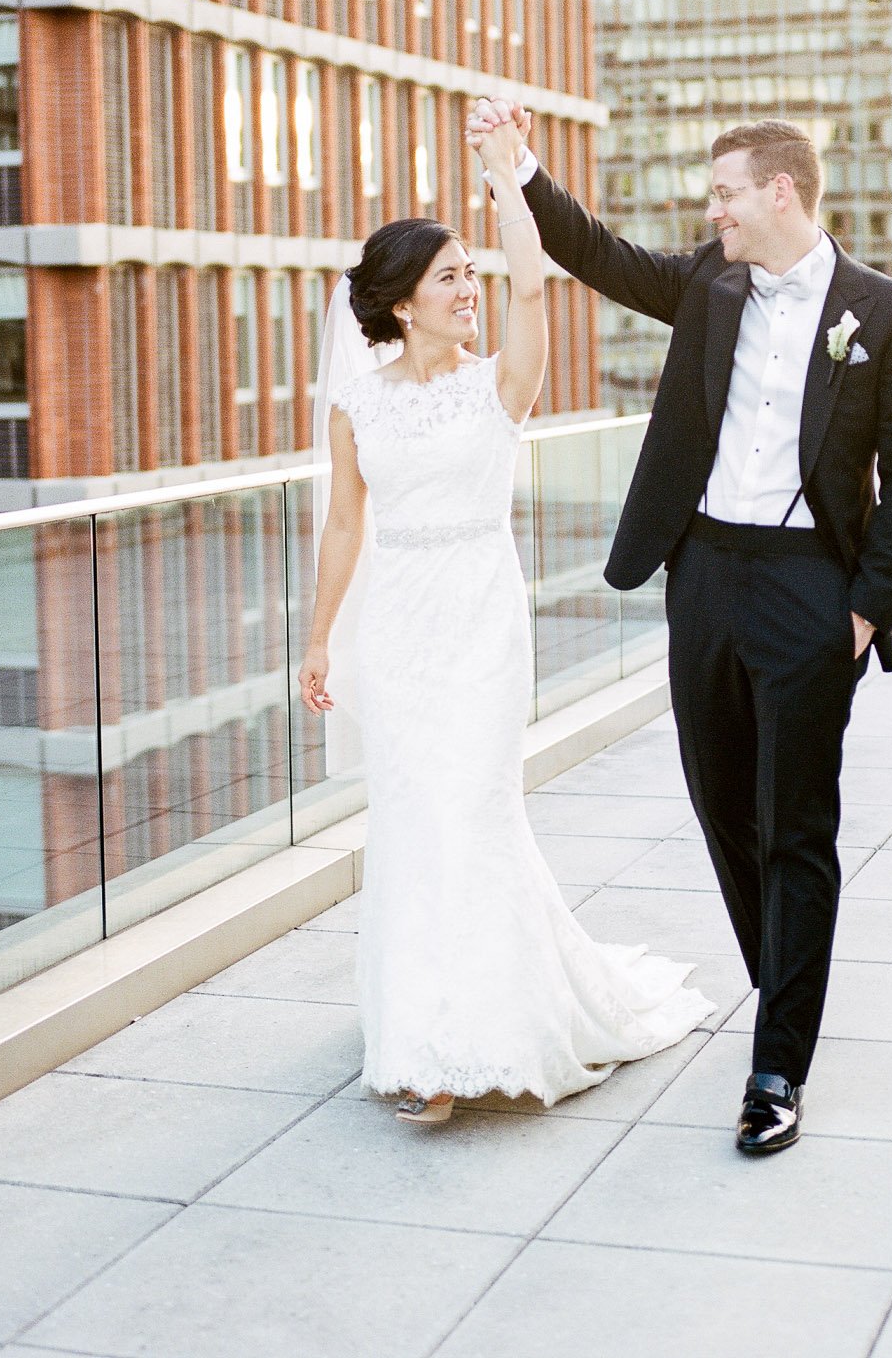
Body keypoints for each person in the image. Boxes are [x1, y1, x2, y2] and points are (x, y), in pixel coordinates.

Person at [465, 100, 892, 1155]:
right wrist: (519, 167)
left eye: (725, 191)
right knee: (722, 805)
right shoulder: (707, 286)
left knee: (795, 824)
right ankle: (786, 986)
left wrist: (867, 606)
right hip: (705, 577)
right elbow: (593, 252)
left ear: (781, 191)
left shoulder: (890, 315)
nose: (711, 208)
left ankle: (777, 1064)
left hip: (813, 592)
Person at [299, 110, 713, 1124]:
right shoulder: (357, 407)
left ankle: (482, 1029)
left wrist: (504, 179)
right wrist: (317, 639)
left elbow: (533, 282)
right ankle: (421, 1042)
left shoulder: (502, 386)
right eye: (446, 279)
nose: (466, 289)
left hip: (483, 618)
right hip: (397, 627)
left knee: (471, 812)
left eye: (464, 273)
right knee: (411, 821)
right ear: (400, 305)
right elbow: (346, 526)